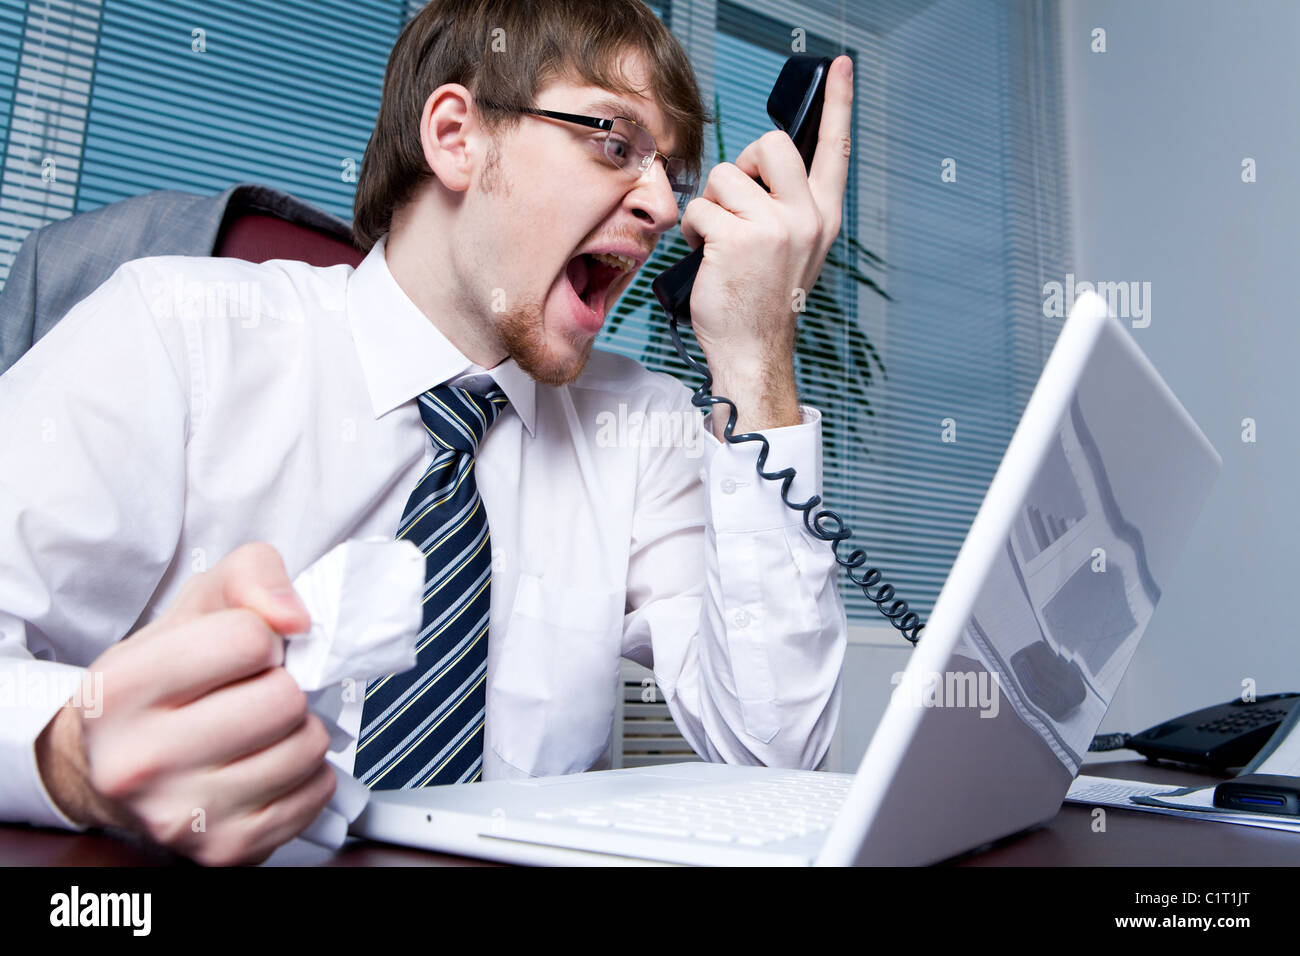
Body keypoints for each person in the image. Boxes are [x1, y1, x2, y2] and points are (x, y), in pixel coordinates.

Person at [0, 0, 852, 865]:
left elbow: (776, 754)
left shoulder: (644, 429)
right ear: (456, 135)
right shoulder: (176, 331)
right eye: (614, 141)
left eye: (669, 172)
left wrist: (754, 358)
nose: (664, 210)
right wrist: (71, 753)